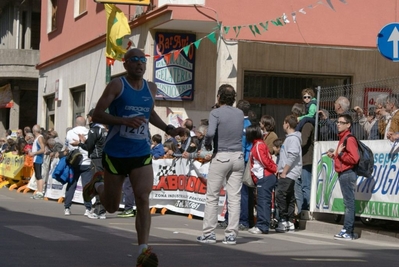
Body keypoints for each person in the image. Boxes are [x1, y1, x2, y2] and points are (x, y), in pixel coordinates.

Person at [83, 48, 181, 266]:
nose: (139, 64)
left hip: (140, 152)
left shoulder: (151, 88)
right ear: (125, 64)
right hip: (116, 153)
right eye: (134, 60)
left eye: (142, 60)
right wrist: (124, 121)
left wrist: (169, 128)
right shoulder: (117, 85)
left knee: (143, 198)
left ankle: (142, 251)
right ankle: (97, 184)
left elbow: (150, 113)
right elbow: (96, 114)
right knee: (111, 206)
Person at [196, 84, 244, 245]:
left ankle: (209, 233)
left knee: (212, 196)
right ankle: (231, 234)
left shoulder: (216, 112)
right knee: (234, 197)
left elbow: (210, 133)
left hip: (221, 155)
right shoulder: (239, 113)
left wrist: (208, 144)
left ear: (219, 97)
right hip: (238, 156)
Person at [327, 114, 359, 240]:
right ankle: (348, 230)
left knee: (349, 203)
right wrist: (335, 155)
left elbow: (354, 158)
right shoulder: (343, 137)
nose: (338, 124)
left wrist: (339, 154)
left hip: (347, 173)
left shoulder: (349, 138)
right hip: (343, 172)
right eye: (337, 122)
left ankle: (348, 231)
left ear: (348, 125)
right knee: (348, 203)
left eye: (341, 122)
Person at [76, 108, 108, 219]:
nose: (88, 119)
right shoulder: (104, 129)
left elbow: (89, 147)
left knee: (97, 183)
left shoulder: (94, 129)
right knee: (103, 183)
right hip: (105, 159)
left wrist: (80, 143)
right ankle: (101, 210)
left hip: (97, 159)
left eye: (89, 117)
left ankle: (99, 210)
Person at [246, 124, 277, 234]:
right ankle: (261, 224)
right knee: (262, 201)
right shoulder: (259, 144)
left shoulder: (258, 146)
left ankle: (262, 226)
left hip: (265, 177)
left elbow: (264, 161)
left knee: (263, 202)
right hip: (264, 177)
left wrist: (274, 169)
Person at [275, 115, 302, 233]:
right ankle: (290, 221)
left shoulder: (293, 139)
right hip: (288, 172)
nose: (283, 125)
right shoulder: (290, 138)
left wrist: (284, 171)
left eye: (284, 123)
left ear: (287, 124)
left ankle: (284, 219)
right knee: (289, 197)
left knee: (280, 194)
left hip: (289, 173)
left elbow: (292, 155)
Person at [64, 116, 94, 217]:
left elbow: (67, 145)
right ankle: (88, 208)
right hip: (86, 161)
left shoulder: (70, 132)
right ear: (85, 123)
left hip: (74, 162)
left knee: (71, 184)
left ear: (76, 123)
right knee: (87, 186)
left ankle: (67, 208)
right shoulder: (89, 132)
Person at [291, 103, 314, 216]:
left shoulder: (307, 124)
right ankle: (300, 211)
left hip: (306, 159)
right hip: (299, 160)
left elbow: (303, 141)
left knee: (305, 186)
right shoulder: (300, 125)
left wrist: (292, 145)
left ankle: (306, 209)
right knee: (298, 186)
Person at [236, 99, 253, 231]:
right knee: (243, 192)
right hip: (245, 159)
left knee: (242, 192)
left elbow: (242, 144)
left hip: (242, 159)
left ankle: (244, 220)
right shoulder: (249, 124)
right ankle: (242, 219)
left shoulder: (242, 125)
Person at [30, 125, 46, 200]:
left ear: (34, 131)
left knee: (39, 175)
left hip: (38, 159)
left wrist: (34, 153)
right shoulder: (37, 138)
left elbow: (43, 149)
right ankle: (39, 191)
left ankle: (40, 192)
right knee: (37, 175)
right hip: (36, 158)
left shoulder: (40, 138)